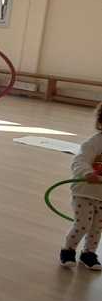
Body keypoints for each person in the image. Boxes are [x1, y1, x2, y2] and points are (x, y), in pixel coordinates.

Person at [59, 102, 102, 271]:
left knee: (97, 227)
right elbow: (79, 161)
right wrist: (87, 173)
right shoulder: (94, 142)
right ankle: (68, 250)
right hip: (85, 192)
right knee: (83, 224)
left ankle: (89, 254)